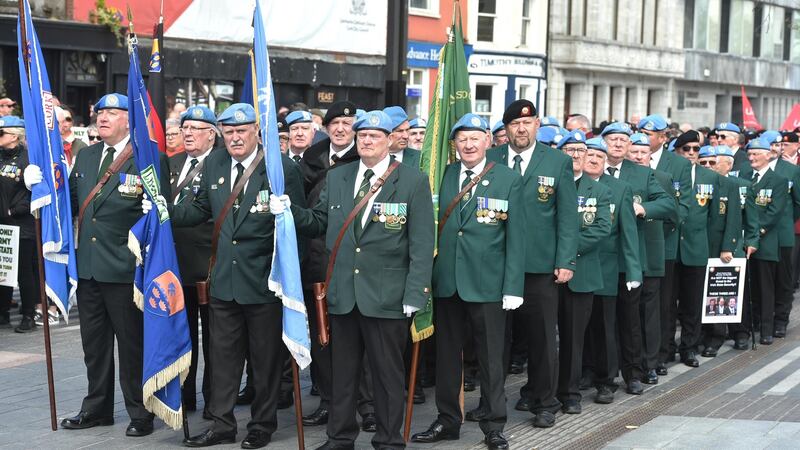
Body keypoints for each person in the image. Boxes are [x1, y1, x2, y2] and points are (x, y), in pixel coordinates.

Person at [278, 109, 434, 450]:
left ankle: (389, 439)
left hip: (388, 294)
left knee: (387, 375)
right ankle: (340, 437)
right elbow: (319, 222)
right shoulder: (339, 177)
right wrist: (289, 211)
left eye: (375, 136)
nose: (367, 140)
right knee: (342, 374)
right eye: (362, 135)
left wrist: (415, 292)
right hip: (344, 293)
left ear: (390, 140)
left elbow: (422, 243)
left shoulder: (412, 180)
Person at [24, 93, 169, 437]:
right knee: (95, 345)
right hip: (88, 267)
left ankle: (140, 410)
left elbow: (159, 211)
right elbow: (71, 202)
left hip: (125, 268)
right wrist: (41, 185)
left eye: (112, 113)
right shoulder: (88, 156)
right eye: (100, 112)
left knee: (131, 345)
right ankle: (97, 407)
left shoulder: (147, 157)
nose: (102, 118)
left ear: (128, 118)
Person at [170, 103, 306, 449]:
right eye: (228, 132)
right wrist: (164, 211)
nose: (235, 138)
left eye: (241, 131)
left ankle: (262, 424)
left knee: (264, 361)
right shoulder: (214, 162)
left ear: (257, 132)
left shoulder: (280, 168)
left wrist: (288, 214)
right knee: (223, 359)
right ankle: (221, 424)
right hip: (224, 282)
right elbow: (201, 209)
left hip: (264, 281)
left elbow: (298, 227)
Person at [412, 113, 523, 450]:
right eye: (462, 139)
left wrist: (513, 287)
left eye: (475, 137)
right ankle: (448, 420)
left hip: (488, 284)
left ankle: (493, 425)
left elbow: (516, 236)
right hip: (446, 282)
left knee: (491, 359)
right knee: (447, 357)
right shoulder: (440, 177)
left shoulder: (507, 179)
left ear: (488, 141)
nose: (469, 144)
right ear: (454, 144)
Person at [486, 99, 579, 428]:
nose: (521, 129)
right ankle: (490, 401)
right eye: (514, 125)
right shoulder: (490, 158)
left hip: (539, 265)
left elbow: (567, 216)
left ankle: (544, 401)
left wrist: (565, 259)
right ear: (505, 129)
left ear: (537, 125)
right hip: (494, 263)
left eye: (527, 123)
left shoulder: (556, 162)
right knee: (494, 338)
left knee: (541, 337)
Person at [296, 100, 373, 430]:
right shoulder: (308, 162)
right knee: (323, 338)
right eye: (335, 124)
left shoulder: (368, 161)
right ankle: (329, 400)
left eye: (348, 123)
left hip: (355, 263)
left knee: (363, 338)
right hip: (316, 262)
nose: (341, 129)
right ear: (324, 129)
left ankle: (368, 405)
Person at [602, 122, 673, 394]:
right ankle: (602, 376)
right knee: (602, 321)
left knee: (630, 319)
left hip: (628, 257)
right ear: (603, 142)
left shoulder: (641, 174)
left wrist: (642, 207)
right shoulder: (592, 169)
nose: (618, 144)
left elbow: (668, 204)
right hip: (597, 258)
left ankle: (633, 372)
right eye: (613, 139)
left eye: (623, 140)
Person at [581, 136, 641, 404]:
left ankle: (607, 381)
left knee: (606, 327)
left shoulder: (618, 189)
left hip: (606, 268)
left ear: (605, 161)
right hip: (575, 267)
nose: (593, 160)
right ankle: (584, 372)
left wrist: (633, 271)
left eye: (598, 156)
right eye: (588, 155)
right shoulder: (570, 185)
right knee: (578, 326)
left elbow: (628, 233)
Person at [168, 105, 220, 418]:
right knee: (182, 336)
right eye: (185, 128)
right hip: (175, 264)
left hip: (209, 264)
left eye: (196, 129)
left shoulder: (221, 163)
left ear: (212, 133)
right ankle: (184, 396)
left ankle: (215, 398)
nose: (188, 134)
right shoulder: (171, 163)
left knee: (216, 340)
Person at [555, 131, 611, 413]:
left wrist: (565, 249)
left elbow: (602, 228)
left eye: (581, 150)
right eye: (570, 150)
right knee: (540, 339)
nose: (576, 155)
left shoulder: (599, 190)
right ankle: (538, 392)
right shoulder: (549, 186)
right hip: (548, 274)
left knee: (573, 340)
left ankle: (569, 393)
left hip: (582, 273)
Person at [637, 115, 692, 377]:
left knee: (662, 304)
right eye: (641, 132)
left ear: (663, 137)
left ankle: (660, 354)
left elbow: (681, 207)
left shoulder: (678, 165)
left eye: (649, 133)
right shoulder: (630, 157)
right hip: (634, 242)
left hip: (664, 240)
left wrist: (658, 223)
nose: (644, 138)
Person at [626, 132, 679, 384]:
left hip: (652, 252)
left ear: (650, 155)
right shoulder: (618, 177)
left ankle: (651, 362)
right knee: (627, 313)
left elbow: (672, 216)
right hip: (626, 255)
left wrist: (653, 230)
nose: (638, 156)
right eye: (633, 151)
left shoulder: (662, 178)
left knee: (650, 312)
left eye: (642, 152)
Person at [671, 132, 721, 365]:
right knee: (667, 305)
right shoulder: (668, 173)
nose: (692, 153)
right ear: (677, 151)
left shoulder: (709, 178)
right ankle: (666, 348)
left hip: (696, 248)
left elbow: (714, 219)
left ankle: (688, 347)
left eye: (695, 149)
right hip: (671, 249)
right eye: (686, 149)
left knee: (692, 304)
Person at [743, 138, 788, 345]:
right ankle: (747, 325)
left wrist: (754, 232)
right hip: (741, 239)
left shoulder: (777, 180)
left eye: (756, 154)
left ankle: (767, 329)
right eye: (749, 154)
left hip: (765, 240)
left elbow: (774, 212)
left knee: (765, 287)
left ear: (768, 155)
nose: (751, 158)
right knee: (745, 288)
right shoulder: (744, 176)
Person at [0, 116, 40, 333]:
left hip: (21, 224)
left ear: (14, 136)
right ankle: (3, 313)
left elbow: (32, 193)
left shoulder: (28, 159)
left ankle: (28, 316)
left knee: (25, 273)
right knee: (2, 270)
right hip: (1, 224)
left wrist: (12, 211)